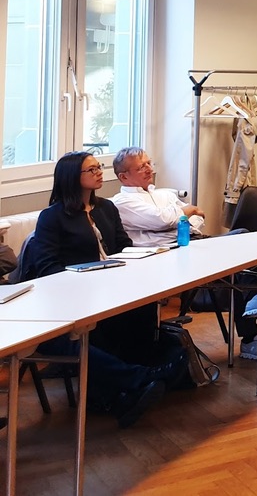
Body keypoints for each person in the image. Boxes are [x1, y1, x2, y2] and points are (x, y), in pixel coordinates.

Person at [22, 152, 186, 428]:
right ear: (72, 177)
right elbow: (47, 267)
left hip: (111, 287)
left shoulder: (106, 208)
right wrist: (88, 278)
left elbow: (122, 246)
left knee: (144, 306)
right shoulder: (53, 217)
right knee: (100, 327)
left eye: (99, 167)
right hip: (73, 297)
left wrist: (144, 256)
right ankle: (137, 381)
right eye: (91, 169)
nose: (99, 172)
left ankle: (132, 384)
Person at [110, 147, 257, 361]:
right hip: (167, 254)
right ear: (124, 176)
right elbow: (162, 220)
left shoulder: (163, 195)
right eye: (140, 167)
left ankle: (252, 317)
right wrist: (183, 215)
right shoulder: (121, 202)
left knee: (243, 242)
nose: (148, 169)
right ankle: (252, 322)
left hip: (196, 243)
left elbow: (198, 217)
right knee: (238, 267)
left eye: (148, 163)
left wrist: (178, 220)